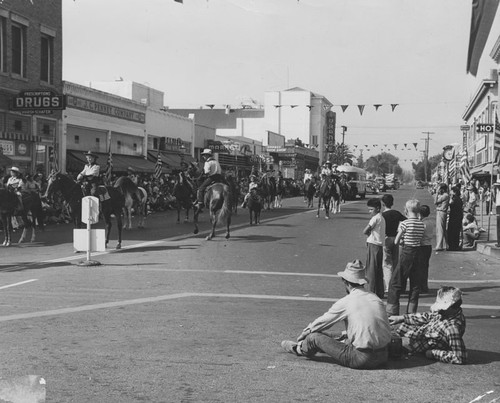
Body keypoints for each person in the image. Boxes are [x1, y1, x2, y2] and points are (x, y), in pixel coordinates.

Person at [281, 260, 392, 369]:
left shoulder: (347, 301)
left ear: (345, 281)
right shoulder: (375, 298)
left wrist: (307, 331)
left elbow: (323, 321)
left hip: (362, 358)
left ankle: (299, 348)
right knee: (334, 334)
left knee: (313, 337)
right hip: (383, 355)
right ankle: (324, 346)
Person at [389, 286, 466, 365]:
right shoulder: (448, 313)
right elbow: (427, 316)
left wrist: (433, 353)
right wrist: (402, 318)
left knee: (386, 344)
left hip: (418, 343)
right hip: (420, 332)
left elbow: (459, 357)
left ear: (451, 308)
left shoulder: (452, 328)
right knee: (388, 325)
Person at [386, 199, 425, 316]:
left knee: (396, 282)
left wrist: (402, 240)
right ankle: (411, 312)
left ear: (407, 209)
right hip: (418, 253)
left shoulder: (405, 223)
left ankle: (392, 311)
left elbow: (397, 240)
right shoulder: (421, 224)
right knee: (415, 284)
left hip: (407, 252)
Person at [381, 194, 407, 294]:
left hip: (386, 239)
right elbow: (406, 220)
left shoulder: (382, 215)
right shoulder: (396, 213)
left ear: (383, 204)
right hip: (395, 238)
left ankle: (388, 286)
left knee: (387, 264)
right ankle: (396, 283)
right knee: (396, 262)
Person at [363, 198, 386, 299]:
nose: (369, 212)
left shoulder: (375, 218)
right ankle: (379, 291)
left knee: (371, 270)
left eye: (371, 209)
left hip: (373, 244)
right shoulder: (382, 218)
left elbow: (365, 230)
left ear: (377, 208)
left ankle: (370, 291)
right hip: (379, 245)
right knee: (378, 270)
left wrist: (368, 234)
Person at [417, 205, 433, 293]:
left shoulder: (422, 223)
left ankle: (421, 286)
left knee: (420, 267)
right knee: (425, 267)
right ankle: (424, 285)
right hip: (428, 245)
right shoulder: (430, 222)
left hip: (422, 245)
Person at [447, 185, 463, 251]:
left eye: (452, 191)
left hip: (454, 217)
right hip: (458, 217)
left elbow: (451, 205)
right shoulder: (459, 199)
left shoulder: (455, 199)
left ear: (454, 192)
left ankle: (452, 246)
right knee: (456, 232)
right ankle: (455, 246)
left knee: (452, 232)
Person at [434, 183, 449, 251]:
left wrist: (437, 192)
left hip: (441, 212)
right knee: (442, 229)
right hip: (441, 212)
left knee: (440, 229)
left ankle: (440, 246)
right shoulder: (444, 195)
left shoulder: (445, 195)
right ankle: (446, 245)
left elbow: (435, 202)